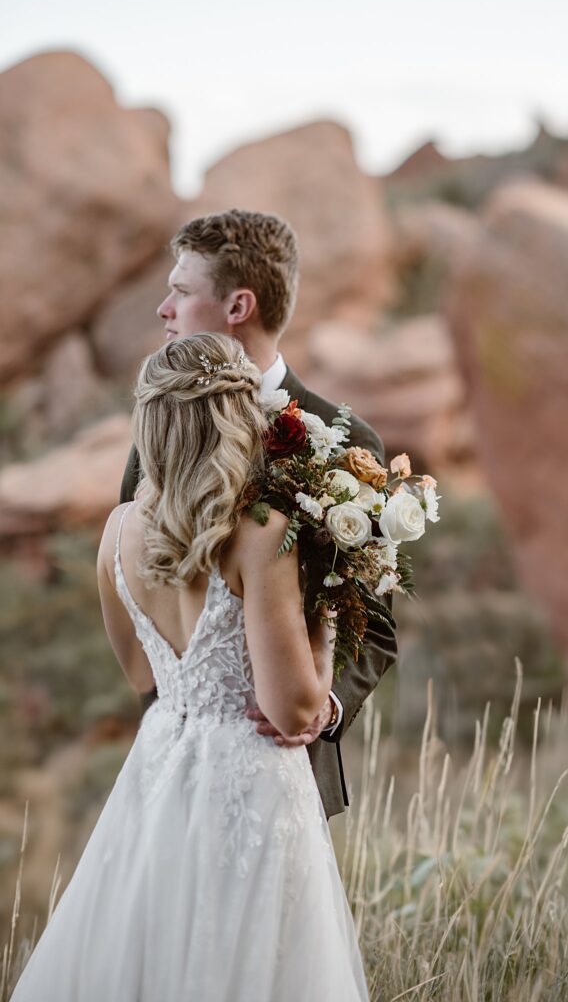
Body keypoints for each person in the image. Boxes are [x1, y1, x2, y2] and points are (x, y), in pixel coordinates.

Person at [10, 332, 369, 1001]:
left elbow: (144, 677)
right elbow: (292, 708)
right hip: (250, 784)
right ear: (237, 417)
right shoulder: (260, 530)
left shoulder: (118, 530)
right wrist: (322, 634)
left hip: (160, 769)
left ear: (151, 423)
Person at [120, 209, 397, 820]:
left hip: (288, 772)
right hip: (173, 773)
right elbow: (142, 589)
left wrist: (324, 711)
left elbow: (374, 625)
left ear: (238, 306)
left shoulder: (345, 442)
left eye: (181, 291)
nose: (164, 308)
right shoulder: (157, 434)